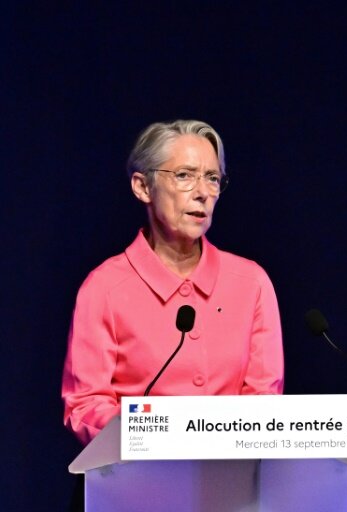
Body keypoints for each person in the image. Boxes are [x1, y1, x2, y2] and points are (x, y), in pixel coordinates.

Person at [61, 120, 284, 445]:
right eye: (184, 175)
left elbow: (264, 400)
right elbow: (85, 406)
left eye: (212, 178)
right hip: (135, 473)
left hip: (230, 473)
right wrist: (157, 434)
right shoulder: (104, 288)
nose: (203, 193)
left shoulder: (252, 283)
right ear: (143, 187)